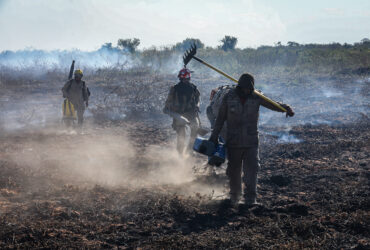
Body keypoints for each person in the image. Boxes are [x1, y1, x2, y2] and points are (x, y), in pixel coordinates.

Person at [209, 73, 294, 205]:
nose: (246, 91)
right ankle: (234, 197)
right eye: (244, 88)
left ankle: (250, 199)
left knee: (252, 168)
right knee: (234, 170)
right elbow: (220, 119)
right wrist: (214, 137)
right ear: (239, 87)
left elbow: (272, 104)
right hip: (233, 140)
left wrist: (286, 108)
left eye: (249, 89)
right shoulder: (229, 97)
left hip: (251, 140)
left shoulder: (256, 96)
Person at [163, 68, 200, 155]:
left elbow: (198, 98)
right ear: (181, 79)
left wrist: (197, 106)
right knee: (181, 136)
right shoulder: (174, 90)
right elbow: (166, 108)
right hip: (179, 115)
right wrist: (177, 116)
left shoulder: (193, 88)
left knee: (195, 128)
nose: (186, 81)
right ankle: (180, 155)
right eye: (184, 79)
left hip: (191, 114)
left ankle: (190, 150)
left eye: (187, 79)